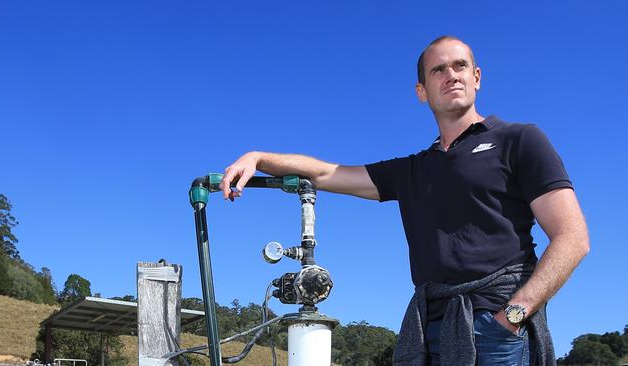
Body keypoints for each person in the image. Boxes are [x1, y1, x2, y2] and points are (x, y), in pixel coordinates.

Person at [219, 36, 589, 365]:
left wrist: (511, 318)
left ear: (476, 77)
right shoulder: (414, 170)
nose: (452, 75)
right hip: (429, 326)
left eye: (460, 66)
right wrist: (258, 157)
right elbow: (328, 172)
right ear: (422, 91)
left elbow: (572, 238)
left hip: (497, 328)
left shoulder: (519, 140)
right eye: (438, 70)